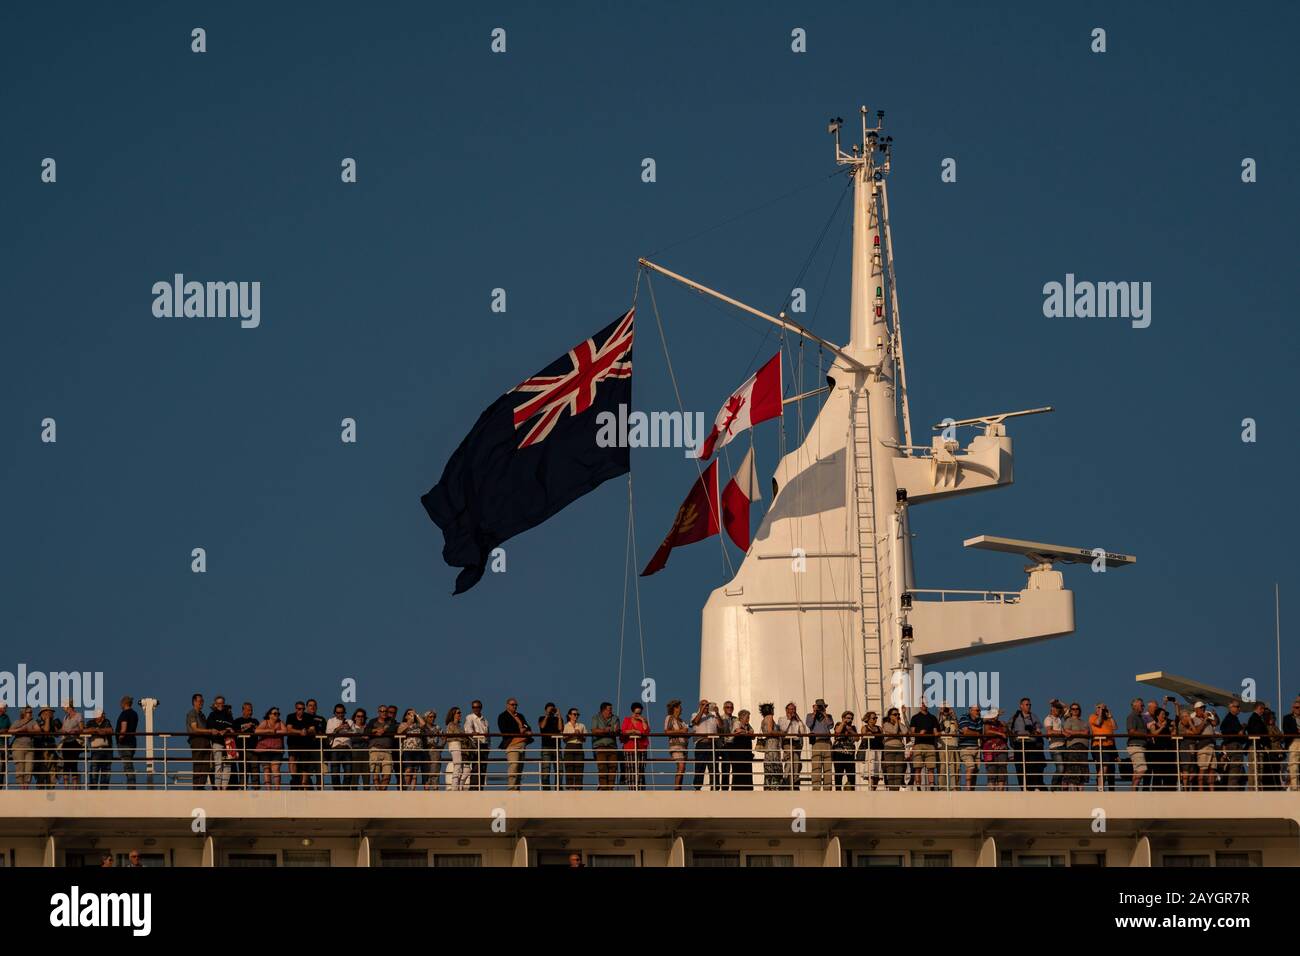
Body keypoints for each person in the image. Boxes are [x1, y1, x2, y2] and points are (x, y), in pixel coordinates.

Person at [1007, 697, 1044, 791]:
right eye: (1027, 704)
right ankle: (1024, 788)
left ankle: (1032, 787)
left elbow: (1039, 729)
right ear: (1021, 706)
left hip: (1031, 744)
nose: (1029, 706)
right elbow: (1008, 729)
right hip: (1019, 744)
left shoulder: (1033, 716)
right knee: (1020, 767)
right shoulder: (1015, 716)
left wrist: (1035, 730)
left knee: (1032, 766)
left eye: (1030, 705)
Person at [497, 698, 533, 791]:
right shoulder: (503, 716)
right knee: (514, 765)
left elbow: (527, 726)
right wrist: (519, 731)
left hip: (522, 744)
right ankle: (511, 788)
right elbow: (504, 730)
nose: (515, 706)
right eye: (512, 704)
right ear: (507, 705)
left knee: (520, 768)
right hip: (512, 745)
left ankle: (517, 788)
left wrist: (527, 731)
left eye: (516, 705)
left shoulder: (520, 715)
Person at [907, 700, 939, 791]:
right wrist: (919, 734)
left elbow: (935, 732)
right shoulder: (915, 718)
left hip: (930, 745)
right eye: (922, 703)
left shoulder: (933, 718)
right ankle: (918, 787)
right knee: (917, 768)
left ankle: (931, 787)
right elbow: (912, 733)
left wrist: (938, 733)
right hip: (918, 745)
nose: (924, 705)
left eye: (925, 703)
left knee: (931, 768)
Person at [690, 699, 721, 790]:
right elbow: (695, 722)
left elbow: (721, 726)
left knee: (714, 767)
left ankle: (714, 787)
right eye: (703, 705)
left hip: (712, 744)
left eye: (707, 705)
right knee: (700, 767)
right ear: (700, 706)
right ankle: (698, 787)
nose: (706, 706)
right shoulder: (694, 714)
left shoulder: (713, 716)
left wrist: (717, 713)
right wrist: (702, 710)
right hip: (701, 744)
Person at [806, 699, 835, 791]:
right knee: (816, 767)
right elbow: (809, 725)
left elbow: (830, 726)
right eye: (818, 706)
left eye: (821, 706)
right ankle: (816, 788)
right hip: (817, 743)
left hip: (827, 742)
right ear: (814, 706)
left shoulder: (828, 716)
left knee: (828, 768)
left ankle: (827, 788)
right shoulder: (810, 716)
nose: (820, 708)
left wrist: (825, 714)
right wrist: (814, 713)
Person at [778, 702, 807, 790]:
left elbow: (803, 732)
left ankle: (795, 781)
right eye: (790, 709)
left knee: (796, 762)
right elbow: (783, 729)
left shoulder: (797, 721)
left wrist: (799, 720)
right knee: (789, 761)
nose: (792, 711)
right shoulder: (782, 719)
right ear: (786, 710)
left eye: (793, 709)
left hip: (796, 743)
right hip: (787, 742)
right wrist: (789, 719)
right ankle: (786, 780)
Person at [621, 702, 650, 790]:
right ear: (632, 712)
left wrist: (643, 720)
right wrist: (633, 731)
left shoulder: (643, 721)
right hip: (629, 748)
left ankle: (639, 788)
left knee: (640, 769)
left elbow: (646, 731)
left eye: (640, 713)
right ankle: (632, 789)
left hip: (641, 749)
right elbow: (623, 731)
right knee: (630, 769)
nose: (638, 715)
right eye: (636, 713)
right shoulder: (627, 720)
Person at [207, 696, 234, 791]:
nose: (220, 705)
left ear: (224, 703)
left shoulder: (228, 715)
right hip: (217, 742)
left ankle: (224, 787)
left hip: (228, 742)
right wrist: (218, 731)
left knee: (227, 765)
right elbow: (210, 727)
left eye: (221, 703)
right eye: (218, 703)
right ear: (215, 704)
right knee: (218, 764)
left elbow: (232, 726)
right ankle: (218, 787)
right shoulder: (212, 715)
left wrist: (226, 730)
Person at [366, 706, 397, 790]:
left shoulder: (391, 721)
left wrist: (383, 731)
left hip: (387, 751)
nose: (383, 712)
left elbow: (393, 729)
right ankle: (379, 793)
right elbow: (366, 731)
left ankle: (382, 792)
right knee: (375, 774)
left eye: (385, 711)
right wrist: (376, 730)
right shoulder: (373, 721)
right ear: (378, 712)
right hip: (375, 749)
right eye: (381, 711)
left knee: (387, 774)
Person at [255, 707, 286, 789]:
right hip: (265, 750)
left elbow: (285, 731)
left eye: (278, 714)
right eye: (275, 713)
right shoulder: (265, 722)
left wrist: (275, 732)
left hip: (277, 750)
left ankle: (277, 789)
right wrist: (268, 731)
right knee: (266, 769)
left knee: (276, 769)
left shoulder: (280, 723)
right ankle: (268, 789)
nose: (277, 715)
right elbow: (257, 731)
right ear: (269, 715)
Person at [185, 693, 212, 790]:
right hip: (197, 740)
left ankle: (201, 786)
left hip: (205, 741)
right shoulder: (192, 713)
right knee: (198, 764)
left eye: (202, 701)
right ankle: (197, 787)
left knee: (206, 765)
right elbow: (195, 728)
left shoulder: (202, 715)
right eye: (200, 701)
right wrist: (209, 731)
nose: (202, 703)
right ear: (194, 702)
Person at [1089, 702, 1117, 791]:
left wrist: (1110, 717)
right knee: (1103, 765)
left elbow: (1115, 727)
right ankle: (1100, 787)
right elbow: (1098, 723)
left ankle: (1110, 790)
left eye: (1103, 708)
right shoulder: (1093, 717)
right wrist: (1101, 712)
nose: (1101, 709)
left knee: (1111, 769)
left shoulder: (1107, 719)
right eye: (1098, 707)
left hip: (1110, 745)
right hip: (1099, 745)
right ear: (1095, 708)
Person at [591, 702, 620, 790]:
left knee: (613, 767)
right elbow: (594, 730)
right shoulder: (595, 718)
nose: (611, 711)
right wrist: (605, 730)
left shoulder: (615, 718)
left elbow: (617, 730)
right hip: (600, 746)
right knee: (602, 767)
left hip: (612, 746)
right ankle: (603, 787)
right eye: (609, 709)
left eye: (611, 709)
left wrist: (614, 731)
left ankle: (610, 787)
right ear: (603, 710)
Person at [1062, 702, 1090, 790]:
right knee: (1073, 769)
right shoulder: (1068, 720)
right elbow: (1066, 730)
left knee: (1082, 769)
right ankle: (1073, 791)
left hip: (1084, 748)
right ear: (1070, 711)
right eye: (1073, 709)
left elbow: (1086, 732)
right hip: (1073, 746)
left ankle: (1081, 791)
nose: (1075, 710)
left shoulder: (1084, 722)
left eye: (1077, 709)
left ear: (1079, 710)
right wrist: (1080, 733)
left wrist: (1073, 732)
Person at [398, 708, 427, 791]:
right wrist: (408, 723)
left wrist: (416, 714)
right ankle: (406, 789)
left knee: (415, 772)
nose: (411, 715)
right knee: (408, 770)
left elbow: (423, 724)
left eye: (412, 714)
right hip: (408, 750)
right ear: (405, 716)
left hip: (418, 749)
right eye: (409, 714)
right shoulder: (403, 724)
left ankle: (412, 790)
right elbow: (399, 732)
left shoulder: (418, 725)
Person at [326, 704, 354, 790]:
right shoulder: (330, 721)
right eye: (338, 712)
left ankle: (345, 791)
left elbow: (355, 734)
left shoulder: (350, 721)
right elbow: (328, 734)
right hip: (336, 747)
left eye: (342, 712)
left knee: (348, 772)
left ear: (345, 713)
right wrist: (339, 728)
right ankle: (337, 791)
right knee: (334, 772)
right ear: (335, 713)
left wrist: (349, 728)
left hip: (347, 748)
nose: (340, 714)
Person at [232, 702, 259, 789]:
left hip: (253, 750)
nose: (250, 712)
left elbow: (259, 730)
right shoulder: (237, 721)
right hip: (241, 750)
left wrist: (254, 727)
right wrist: (247, 726)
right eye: (248, 710)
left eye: (251, 710)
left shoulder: (255, 721)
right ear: (243, 710)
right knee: (243, 769)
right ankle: (242, 788)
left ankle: (256, 788)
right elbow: (235, 732)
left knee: (255, 769)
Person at [9, 707, 37, 789]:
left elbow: (38, 730)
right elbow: (10, 731)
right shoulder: (18, 722)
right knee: (20, 767)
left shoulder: (33, 722)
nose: (31, 713)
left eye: (31, 712)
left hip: (29, 747)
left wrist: (28, 730)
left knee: (29, 767)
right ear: (24, 713)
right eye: (29, 712)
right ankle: (21, 787)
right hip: (18, 747)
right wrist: (20, 729)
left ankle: (26, 786)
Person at [957, 705, 984, 790]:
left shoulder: (979, 720)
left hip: (976, 748)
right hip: (965, 748)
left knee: (976, 770)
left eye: (979, 711)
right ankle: (968, 789)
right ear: (970, 711)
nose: (978, 712)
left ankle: (972, 789)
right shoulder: (964, 718)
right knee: (971, 767)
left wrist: (996, 713)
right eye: (976, 710)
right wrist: (977, 734)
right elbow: (965, 731)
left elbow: (987, 720)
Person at [1124, 698, 1148, 791]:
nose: (1143, 707)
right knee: (1142, 769)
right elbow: (1131, 731)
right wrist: (1146, 735)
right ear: (1135, 706)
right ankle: (1133, 790)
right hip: (1136, 746)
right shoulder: (1132, 716)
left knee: (1137, 770)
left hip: (1140, 747)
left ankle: (1134, 791)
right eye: (1141, 705)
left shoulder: (1140, 717)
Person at [86, 709, 114, 789]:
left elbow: (110, 730)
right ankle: (93, 791)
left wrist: (99, 731)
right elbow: (85, 730)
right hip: (96, 750)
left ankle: (103, 792)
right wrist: (97, 730)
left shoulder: (107, 722)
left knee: (106, 772)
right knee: (94, 771)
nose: (104, 716)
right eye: (102, 714)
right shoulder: (90, 723)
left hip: (107, 750)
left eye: (103, 714)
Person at [59, 700, 84, 789]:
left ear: (69, 707)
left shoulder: (78, 715)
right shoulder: (65, 718)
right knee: (66, 765)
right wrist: (62, 731)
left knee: (73, 764)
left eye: (64, 707)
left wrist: (75, 731)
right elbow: (62, 729)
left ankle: (74, 788)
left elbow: (82, 729)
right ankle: (66, 788)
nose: (63, 709)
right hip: (66, 742)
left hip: (74, 742)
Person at [880, 707, 906, 791]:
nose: (897, 716)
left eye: (898, 714)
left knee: (899, 770)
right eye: (895, 714)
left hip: (900, 748)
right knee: (890, 770)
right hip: (889, 748)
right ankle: (892, 790)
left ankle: (896, 790)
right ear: (890, 716)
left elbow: (905, 732)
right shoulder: (886, 724)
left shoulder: (898, 724)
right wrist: (897, 723)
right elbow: (894, 732)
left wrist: (898, 722)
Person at [115, 696, 139, 790]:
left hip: (125, 743)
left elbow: (123, 728)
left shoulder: (124, 714)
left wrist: (120, 737)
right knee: (129, 764)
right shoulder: (134, 713)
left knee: (127, 766)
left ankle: (131, 786)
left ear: (124, 703)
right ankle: (131, 784)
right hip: (132, 742)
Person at [538, 703, 563, 790]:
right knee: (546, 769)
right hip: (546, 746)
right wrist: (547, 715)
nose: (551, 711)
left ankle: (558, 788)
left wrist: (559, 715)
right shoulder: (542, 718)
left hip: (557, 747)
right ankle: (546, 789)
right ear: (545, 710)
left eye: (552, 709)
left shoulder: (557, 719)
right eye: (549, 709)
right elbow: (542, 726)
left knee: (559, 770)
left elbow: (560, 729)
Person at [444, 706, 470, 790]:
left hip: (461, 747)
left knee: (464, 769)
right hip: (454, 745)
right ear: (453, 714)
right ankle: (455, 787)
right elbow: (451, 737)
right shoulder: (450, 725)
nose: (460, 714)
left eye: (460, 712)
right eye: (458, 713)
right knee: (457, 766)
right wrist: (462, 737)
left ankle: (459, 785)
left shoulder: (459, 726)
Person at [664, 700, 688, 790]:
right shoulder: (669, 718)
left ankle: (679, 787)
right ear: (675, 708)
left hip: (684, 747)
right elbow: (666, 731)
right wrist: (681, 731)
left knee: (682, 768)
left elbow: (685, 733)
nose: (682, 709)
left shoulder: (681, 721)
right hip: (676, 746)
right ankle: (677, 788)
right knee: (681, 766)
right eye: (680, 707)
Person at [465, 700, 489, 790]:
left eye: (477, 707)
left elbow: (488, 735)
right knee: (476, 767)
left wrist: (488, 747)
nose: (475, 709)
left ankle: (480, 787)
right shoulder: (470, 717)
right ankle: (474, 788)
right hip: (476, 745)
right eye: (474, 707)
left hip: (484, 746)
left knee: (483, 768)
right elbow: (468, 730)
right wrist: (475, 733)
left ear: (481, 708)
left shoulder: (485, 720)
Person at [715, 701, 738, 791]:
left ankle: (735, 787)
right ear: (724, 708)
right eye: (727, 707)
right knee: (726, 768)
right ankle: (725, 788)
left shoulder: (736, 719)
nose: (730, 709)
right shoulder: (720, 718)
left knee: (736, 767)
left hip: (734, 745)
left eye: (731, 707)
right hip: (725, 745)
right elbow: (719, 729)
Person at [982, 709, 1008, 789]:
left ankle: (1001, 789)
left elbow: (1006, 731)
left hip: (1001, 748)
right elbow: (987, 731)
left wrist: (1004, 727)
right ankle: (992, 789)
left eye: (997, 715)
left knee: (1002, 768)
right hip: (989, 749)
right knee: (991, 769)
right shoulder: (986, 723)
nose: (996, 716)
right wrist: (1000, 733)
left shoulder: (1001, 723)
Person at [1148, 708, 1174, 790]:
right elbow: (1154, 734)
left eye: (1164, 714)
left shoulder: (1168, 726)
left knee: (1168, 773)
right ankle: (1156, 791)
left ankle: (1168, 791)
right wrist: (1162, 727)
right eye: (1162, 714)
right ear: (1157, 716)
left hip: (1168, 752)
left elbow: (1173, 732)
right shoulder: (1153, 725)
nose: (1164, 716)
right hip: (1158, 753)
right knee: (1158, 773)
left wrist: (1172, 726)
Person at [832, 710, 858, 791]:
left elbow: (857, 738)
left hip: (850, 754)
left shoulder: (853, 728)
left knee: (851, 775)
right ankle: (838, 790)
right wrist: (843, 723)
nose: (850, 720)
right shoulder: (838, 725)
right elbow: (837, 732)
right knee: (839, 774)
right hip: (839, 754)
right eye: (848, 718)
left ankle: (851, 789)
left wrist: (850, 730)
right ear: (843, 718)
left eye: (851, 718)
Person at [561, 708, 586, 791]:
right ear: (569, 715)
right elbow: (564, 739)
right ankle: (570, 787)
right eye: (574, 714)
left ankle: (578, 787)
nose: (576, 716)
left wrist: (579, 735)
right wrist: (572, 734)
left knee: (579, 767)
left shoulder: (582, 725)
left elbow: (584, 739)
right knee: (569, 768)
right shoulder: (566, 726)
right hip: (569, 746)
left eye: (577, 714)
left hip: (579, 746)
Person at [758, 703, 782, 790]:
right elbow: (770, 731)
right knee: (774, 766)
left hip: (768, 744)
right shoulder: (770, 717)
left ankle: (768, 787)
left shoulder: (763, 720)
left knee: (769, 767)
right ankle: (775, 788)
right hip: (773, 744)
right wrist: (781, 733)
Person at [36, 706, 61, 788]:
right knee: (42, 773)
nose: (52, 714)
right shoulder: (38, 722)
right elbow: (46, 730)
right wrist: (47, 719)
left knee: (52, 773)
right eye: (50, 712)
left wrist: (55, 724)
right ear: (43, 713)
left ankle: (51, 795)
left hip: (51, 752)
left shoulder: (52, 722)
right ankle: (40, 795)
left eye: (52, 712)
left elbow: (58, 735)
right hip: (42, 753)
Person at [937, 703, 960, 791]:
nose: (946, 710)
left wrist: (953, 714)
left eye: (947, 708)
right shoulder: (939, 719)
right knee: (942, 768)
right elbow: (936, 726)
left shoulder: (953, 719)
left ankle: (954, 787)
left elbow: (958, 729)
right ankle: (942, 788)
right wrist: (939, 713)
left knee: (954, 768)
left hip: (953, 746)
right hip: (942, 746)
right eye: (944, 708)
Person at [731, 709, 755, 790]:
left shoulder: (747, 725)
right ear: (741, 717)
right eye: (747, 717)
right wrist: (747, 732)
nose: (748, 719)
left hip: (746, 753)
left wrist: (745, 732)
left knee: (747, 771)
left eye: (749, 717)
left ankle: (747, 788)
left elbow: (753, 734)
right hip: (738, 753)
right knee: (738, 770)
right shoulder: (737, 722)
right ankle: (737, 789)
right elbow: (738, 730)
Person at [859, 711, 882, 790]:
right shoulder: (865, 727)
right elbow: (863, 737)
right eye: (873, 718)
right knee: (871, 772)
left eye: (876, 718)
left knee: (877, 774)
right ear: (868, 719)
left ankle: (874, 789)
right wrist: (866, 734)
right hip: (870, 751)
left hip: (878, 751)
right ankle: (871, 789)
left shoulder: (879, 728)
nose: (875, 719)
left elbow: (883, 738)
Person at [347, 708, 369, 788]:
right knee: (354, 777)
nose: (360, 718)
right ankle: (353, 796)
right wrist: (363, 737)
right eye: (358, 716)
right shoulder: (351, 727)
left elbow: (370, 739)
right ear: (355, 717)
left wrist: (358, 737)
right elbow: (352, 739)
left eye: (362, 716)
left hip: (366, 753)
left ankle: (367, 796)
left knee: (366, 777)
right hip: (355, 753)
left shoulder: (367, 727)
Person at [424, 710, 444, 791]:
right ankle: (426, 791)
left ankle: (435, 790)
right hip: (425, 751)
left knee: (435, 772)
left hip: (435, 751)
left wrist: (440, 747)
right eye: (430, 717)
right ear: (426, 718)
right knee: (426, 772)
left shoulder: (437, 727)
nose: (432, 718)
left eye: (434, 717)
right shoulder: (423, 727)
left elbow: (444, 737)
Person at [1284, 698, 1300, 791]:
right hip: (1293, 742)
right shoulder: (1287, 718)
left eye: (1299, 707)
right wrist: (1297, 732)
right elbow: (1287, 730)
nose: (1298, 709)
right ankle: (1295, 787)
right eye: (1296, 707)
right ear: (1293, 708)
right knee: (1293, 766)